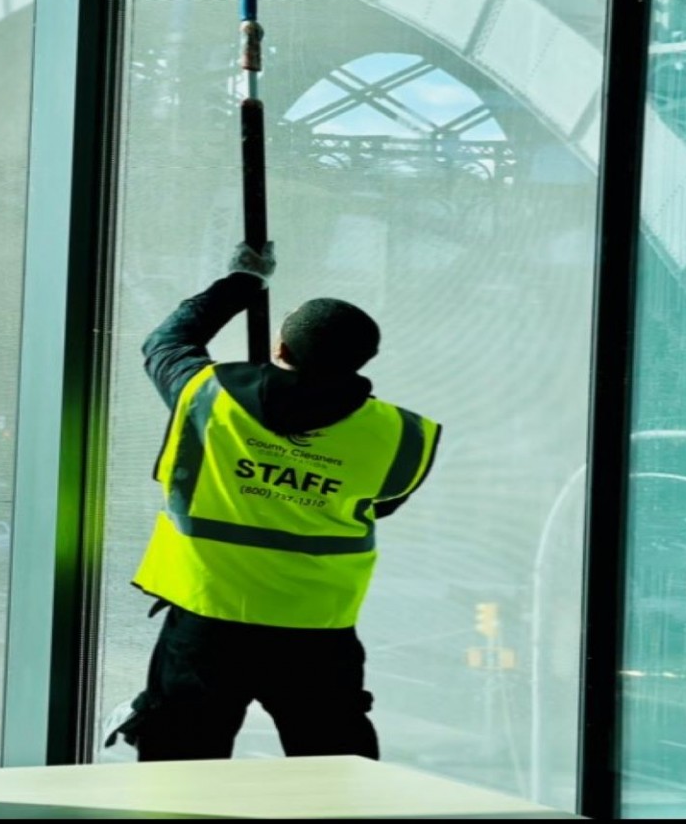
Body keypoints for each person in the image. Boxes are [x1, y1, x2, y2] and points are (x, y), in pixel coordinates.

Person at [104, 242, 442, 761]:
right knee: (333, 770)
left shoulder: (208, 396)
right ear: (359, 363)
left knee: (181, 767)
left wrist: (243, 280)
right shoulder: (402, 435)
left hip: (206, 619)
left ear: (281, 350)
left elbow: (168, 339)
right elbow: (382, 503)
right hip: (316, 631)